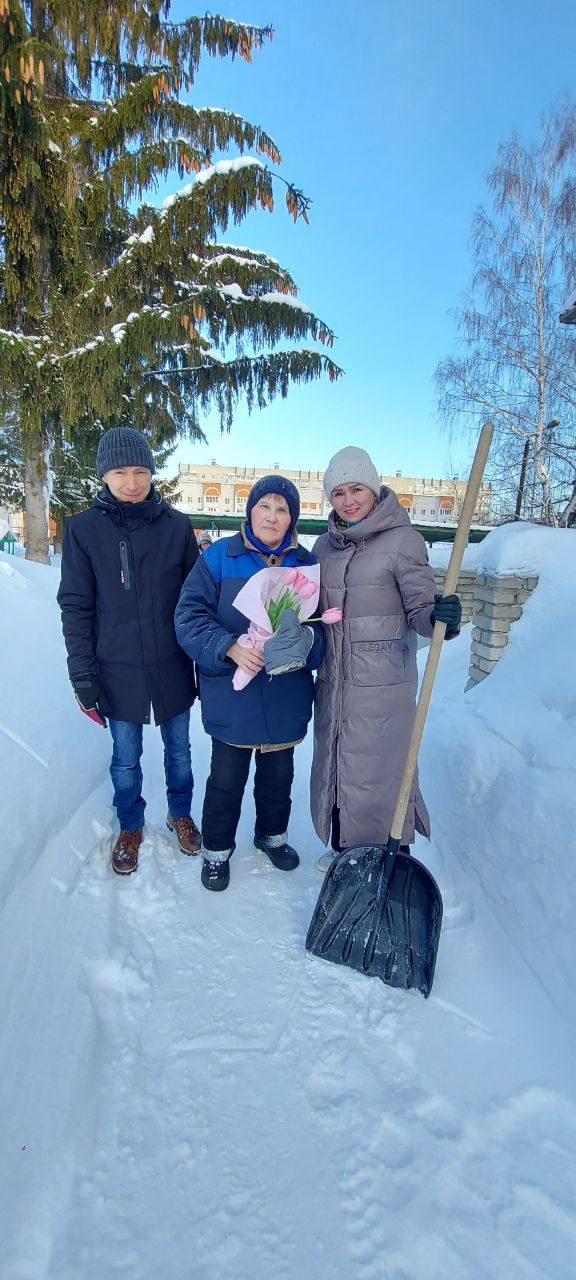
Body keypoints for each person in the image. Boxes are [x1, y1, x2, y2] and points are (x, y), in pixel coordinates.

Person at [310, 445, 462, 875]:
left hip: (382, 685)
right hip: (334, 680)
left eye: (356, 488)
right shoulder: (323, 546)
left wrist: (439, 616)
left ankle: (388, 859)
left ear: (374, 488)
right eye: (338, 492)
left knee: (377, 773)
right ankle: (345, 849)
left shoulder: (403, 540)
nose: (348, 500)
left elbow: (420, 609)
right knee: (336, 762)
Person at [57, 426, 201, 875]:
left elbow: (198, 600)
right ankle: (131, 825)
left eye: (140, 470)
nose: (132, 482)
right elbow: (76, 606)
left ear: (152, 473)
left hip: (172, 665)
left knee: (179, 751)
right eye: (120, 472)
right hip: (116, 668)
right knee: (125, 756)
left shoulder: (177, 527)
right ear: (104, 475)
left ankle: (180, 814)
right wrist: (82, 674)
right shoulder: (83, 530)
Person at [175, 475, 324, 892]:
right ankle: (217, 850)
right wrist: (228, 647)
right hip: (232, 694)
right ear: (250, 511)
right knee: (226, 779)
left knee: (278, 776)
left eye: (282, 509)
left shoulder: (305, 564)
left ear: (292, 518)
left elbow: (324, 631)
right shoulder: (220, 558)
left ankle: (271, 835)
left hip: (285, 696)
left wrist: (306, 644)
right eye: (264, 507)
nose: (272, 517)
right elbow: (188, 618)